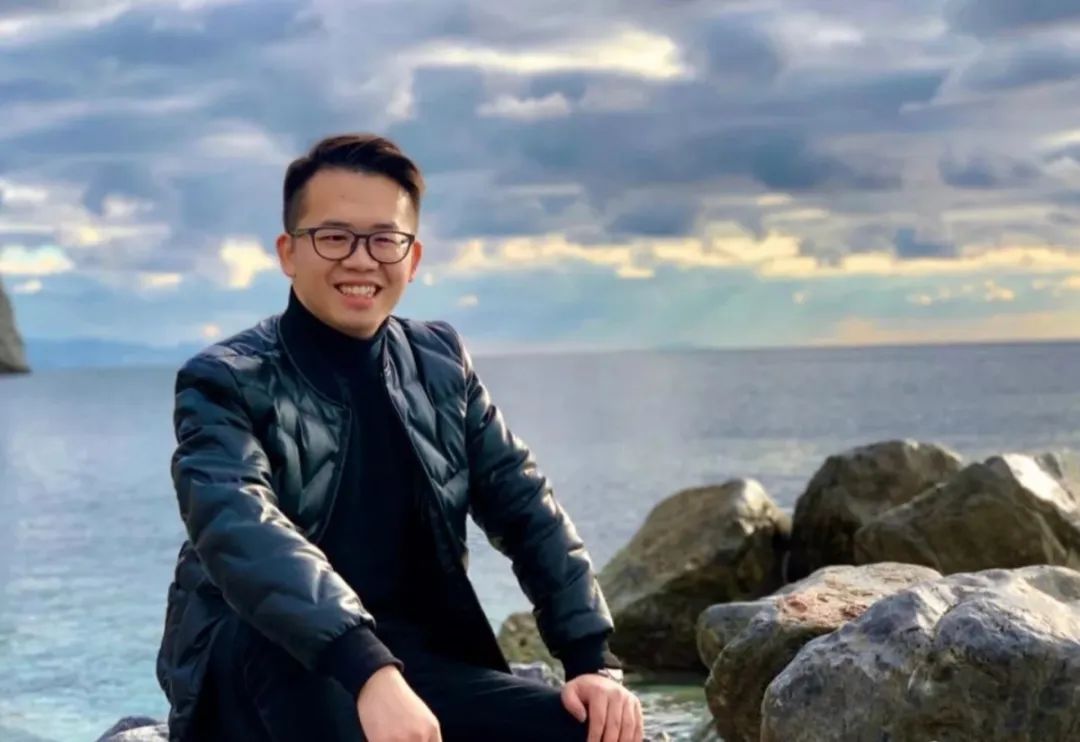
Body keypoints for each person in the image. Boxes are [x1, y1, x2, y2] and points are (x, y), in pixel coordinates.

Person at [155, 133, 644, 742]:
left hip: (416, 672)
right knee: (278, 634)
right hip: (269, 671)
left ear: (412, 259)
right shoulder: (224, 379)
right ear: (288, 252)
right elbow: (240, 529)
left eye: (385, 239)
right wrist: (368, 671)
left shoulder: (440, 362)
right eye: (334, 237)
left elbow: (526, 509)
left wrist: (591, 661)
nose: (362, 260)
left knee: (590, 730)